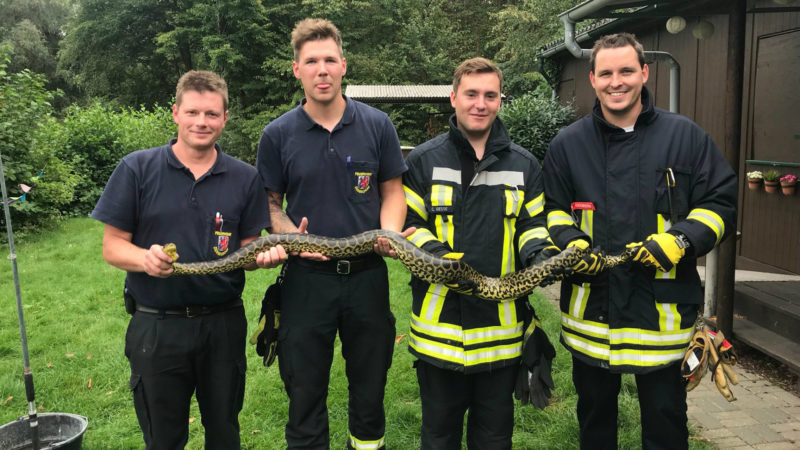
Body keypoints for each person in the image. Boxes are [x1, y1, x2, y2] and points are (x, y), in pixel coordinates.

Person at [543, 33, 737, 449]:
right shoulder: (567, 145)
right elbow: (552, 209)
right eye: (607, 73)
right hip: (592, 318)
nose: (617, 81)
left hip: (662, 321)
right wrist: (571, 241)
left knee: (666, 426)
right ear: (593, 79)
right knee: (595, 423)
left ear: (645, 73)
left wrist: (682, 239)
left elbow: (720, 202)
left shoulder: (686, 137)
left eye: (627, 71)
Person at [91, 70, 286, 449]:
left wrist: (267, 255)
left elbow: (247, 249)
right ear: (176, 113)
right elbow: (112, 246)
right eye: (193, 112)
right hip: (157, 327)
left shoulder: (245, 178)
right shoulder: (137, 169)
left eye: (212, 114)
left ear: (225, 119)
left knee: (225, 434)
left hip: (223, 326)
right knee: (163, 439)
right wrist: (144, 260)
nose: (202, 122)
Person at [255, 18, 409, 450]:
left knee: (370, 390)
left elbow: (393, 192)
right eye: (311, 62)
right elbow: (268, 204)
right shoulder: (277, 134)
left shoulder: (377, 125)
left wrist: (390, 234)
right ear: (296, 70)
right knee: (304, 393)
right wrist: (290, 235)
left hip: (367, 277)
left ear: (343, 65)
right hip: (306, 281)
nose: (321, 70)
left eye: (328, 60)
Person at [402, 57, 558, 449]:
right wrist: (442, 259)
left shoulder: (524, 165)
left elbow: (532, 226)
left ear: (500, 101)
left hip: (502, 336)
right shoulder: (422, 161)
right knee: (438, 438)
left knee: (494, 439)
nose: (480, 103)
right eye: (471, 94)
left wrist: (541, 257)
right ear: (453, 98)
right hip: (438, 338)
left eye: (490, 95)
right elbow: (408, 226)